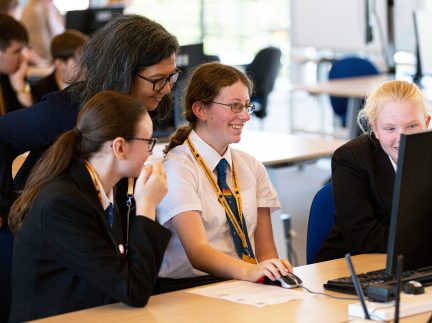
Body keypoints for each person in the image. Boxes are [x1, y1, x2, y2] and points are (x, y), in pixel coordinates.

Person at [0, 14, 179, 227]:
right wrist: (6, 207)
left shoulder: (135, 111)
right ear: (123, 73)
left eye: (171, 77)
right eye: (158, 80)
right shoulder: (66, 110)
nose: (167, 89)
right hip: (45, 238)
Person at [8, 91, 171, 322]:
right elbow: (134, 290)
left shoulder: (106, 189)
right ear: (119, 148)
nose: (151, 152)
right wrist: (146, 208)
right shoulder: (63, 204)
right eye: (148, 142)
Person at [155, 62, 292, 293]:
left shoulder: (251, 166)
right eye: (234, 106)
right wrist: (250, 272)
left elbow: (266, 251)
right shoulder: (178, 167)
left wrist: (273, 274)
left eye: (247, 106)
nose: (246, 116)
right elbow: (197, 253)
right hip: (187, 289)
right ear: (200, 110)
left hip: (242, 282)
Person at [315, 80, 432, 262]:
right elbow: (364, 238)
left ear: (426, 122)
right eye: (390, 128)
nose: (402, 138)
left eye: (412, 126)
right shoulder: (350, 159)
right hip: (351, 266)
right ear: (375, 128)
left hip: (419, 263)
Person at [31, 30, 88, 103]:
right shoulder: (39, 91)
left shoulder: (92, 87)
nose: (86, 67)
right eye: (79, 61)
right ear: (59, 63)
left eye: (87, 61)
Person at [0, 13, 32, 116]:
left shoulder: (12, 74)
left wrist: (20, 85)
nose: (22, 58)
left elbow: (31, 122)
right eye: (17, 51)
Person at [20, 0, 64, 66]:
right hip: (45, 64)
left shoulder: (52, 7)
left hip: (56, 59)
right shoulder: (33, 11)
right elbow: (41, 48)